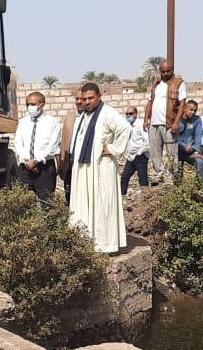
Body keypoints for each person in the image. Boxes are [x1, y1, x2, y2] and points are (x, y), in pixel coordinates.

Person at [69, 83, 131, 254]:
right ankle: (86, 241)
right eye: (84, 99)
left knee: (103, 204)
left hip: (102, 167)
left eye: (91, 98)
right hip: (84, 168)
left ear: (99, 97)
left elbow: (125, 128)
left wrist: (112, 149)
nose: (87, 102)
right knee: (83, 202)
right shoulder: (84, 115)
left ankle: (105, 244)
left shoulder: (108, 113)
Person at [12, 91, 61, 202]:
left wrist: (35, 161)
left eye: (33, 104)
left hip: (44, 168)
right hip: (25, 168)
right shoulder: (23, 122)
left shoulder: (52, 122)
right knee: (23, 203)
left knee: (46, 203)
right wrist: (27, 161)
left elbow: (52, 147)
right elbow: (18, 143)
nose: (30, 107)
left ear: (41, 105)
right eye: (27, 104)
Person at [144, 59, 186, 183]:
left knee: (172, 153)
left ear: (172, 69)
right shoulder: (156, 84)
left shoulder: (179, 83)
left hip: (169, 124)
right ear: (160, 71)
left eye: (168, 71)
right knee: (155, 151)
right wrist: (146, 119)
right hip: (154, 124)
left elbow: (182, 105)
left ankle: (171, 178)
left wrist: (176, 123)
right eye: (163, 71)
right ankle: (159, 174)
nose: (166, 73)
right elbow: (150, 102)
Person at [59, 92, 86, 204]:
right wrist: (61, 163)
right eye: (77, 99)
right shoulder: (70, 116)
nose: (79, 102)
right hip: (69, 158)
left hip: (84, 159)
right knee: (69, 189)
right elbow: (64, 139)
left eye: (82, 99)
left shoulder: (92, 117)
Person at [174, 99, 203, 179]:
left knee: (200, 161)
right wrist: (184, 146)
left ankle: (201, 184)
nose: (193, 112)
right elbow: (174, 137)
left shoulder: (197, 119)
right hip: (176, 150)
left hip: (190, 151)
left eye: (195, 110)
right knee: (177, 171)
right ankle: (177, 184)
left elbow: (198, 136)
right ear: (185, 108)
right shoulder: (177, 119)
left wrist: (196, 151)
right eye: (191, 109)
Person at [121, 106, 150, 194]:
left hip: (140, 155)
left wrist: (139, 152)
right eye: (127, 114)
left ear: (136, 114)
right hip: (131, 156)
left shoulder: (141, 124)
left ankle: (145, 197)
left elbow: (147, 141)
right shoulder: (127, 126)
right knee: (124, 177)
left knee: (142, 178)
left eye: (130, 113)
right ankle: (122, 196)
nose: (128, 115)